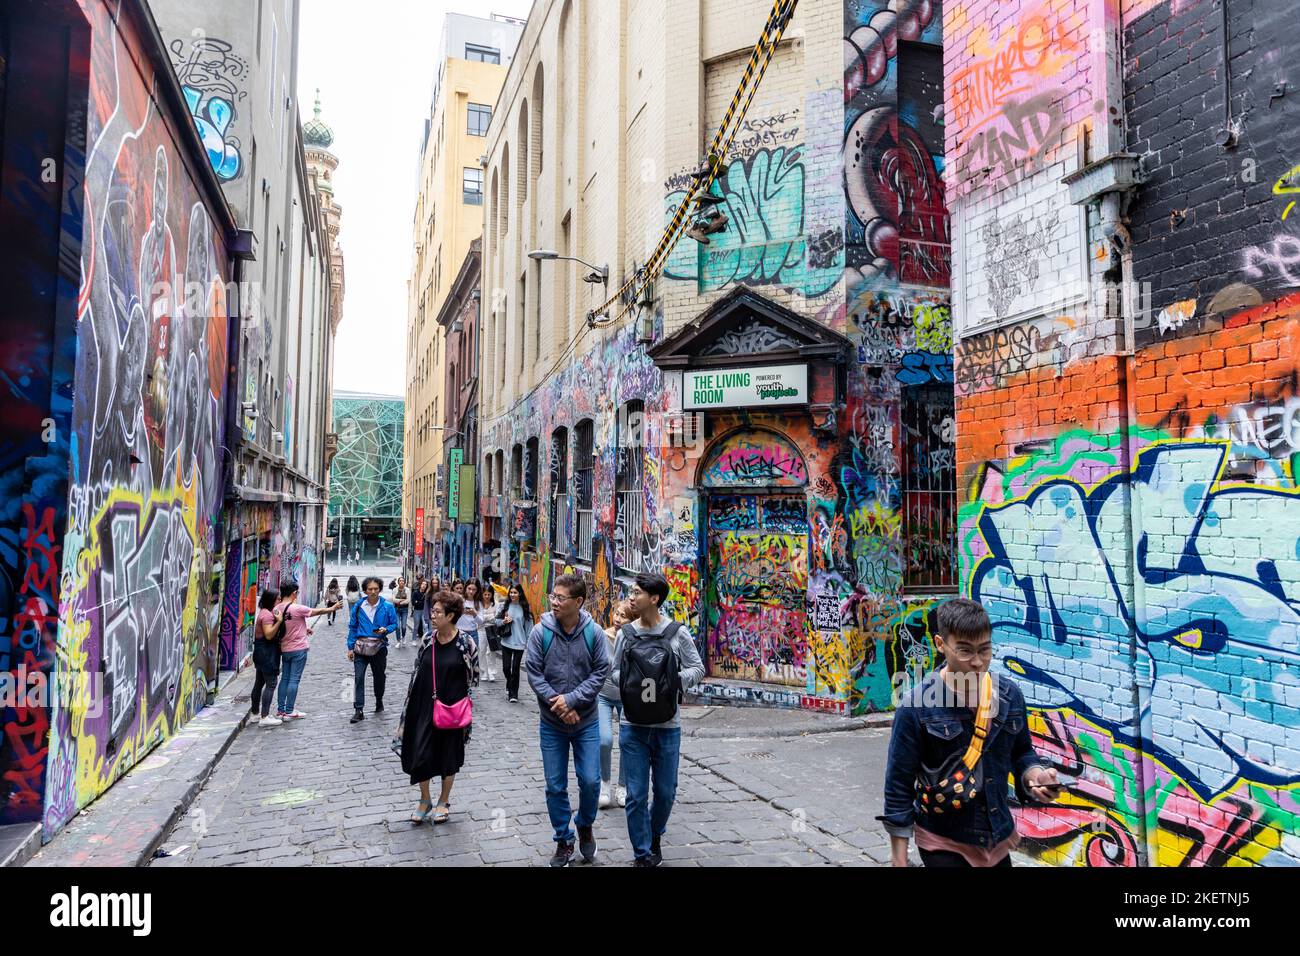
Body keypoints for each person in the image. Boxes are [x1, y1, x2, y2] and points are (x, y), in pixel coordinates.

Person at [879, 597, 1063, 867]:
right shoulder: (915, 707)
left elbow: (1022, 753)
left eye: (984, 650)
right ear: (941, 645)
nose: (977, 662)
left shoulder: (1009, 695)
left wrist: (1035, 776)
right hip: (943, 839)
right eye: (965, 651)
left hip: (997, 836)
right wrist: (898, 859)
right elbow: (898, 786)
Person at [610, 572, 704, 866]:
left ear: (654, 598)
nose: (631, 597)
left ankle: (654, 835)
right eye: (631, 592)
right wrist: (632, 683)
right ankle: (641, 852)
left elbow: (697, 668)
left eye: (637, 592)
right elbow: (614, 672)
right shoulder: (626, 635)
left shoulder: (677, 633)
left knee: (665, 792)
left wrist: (671, 681)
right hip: (633, 726)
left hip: (667, 727)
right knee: (636, 795)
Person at [525, 573, 609, 867]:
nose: (554, 602)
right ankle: (564, 838)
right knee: (554, 784)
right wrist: (559, 706)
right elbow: (533, 672)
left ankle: (584, 824)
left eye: (560, 598)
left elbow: (601, 671)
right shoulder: (541, 632)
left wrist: (572, 700)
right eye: (553, 597)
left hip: (585, 721)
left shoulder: (593, 633)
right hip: (552, 724)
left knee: (590, 780)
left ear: (578, 602)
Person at [397, 590, 478, 825]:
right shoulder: (427, 639)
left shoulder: (465, 642)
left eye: (438, 612)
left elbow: (474, 675)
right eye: (432, 611)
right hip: (423, 705)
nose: (433, 616)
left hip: (452, 709)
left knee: (448, 756)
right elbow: (417, 669)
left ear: (451, 615)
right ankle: (425, 799)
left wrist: (462, 702)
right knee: (419, 753)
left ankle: (443, 801)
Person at [273, 581, 342, 720]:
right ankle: (289, 710)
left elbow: (288, 625)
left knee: (284, 679)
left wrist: (304, 628)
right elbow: (318, 611)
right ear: (294, 593)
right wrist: (333, 608)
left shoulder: (277, 608)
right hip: (298, 649)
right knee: (294, 679)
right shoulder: (297, 608)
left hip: (284, 649)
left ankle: (281, 710)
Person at [347, 576, 400, 723]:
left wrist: (386, 629)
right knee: (358, 678)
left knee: (379, 676)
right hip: (361, 648)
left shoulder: (387, 606)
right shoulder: (358, 606)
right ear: (365, 590)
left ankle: (379, 700)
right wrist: (350, 647)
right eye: (370, 589)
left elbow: (394, 624)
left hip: (379, 648)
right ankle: (359, 710)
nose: (373, 591)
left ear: (380, 590)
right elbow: (352, 627)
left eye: (376, 589)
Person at [598, 599, 634, 809]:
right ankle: (604, 784)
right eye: (617, 614)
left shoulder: (634, 640)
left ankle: (623, 785)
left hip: (627, 696)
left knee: (627, 743)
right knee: (604, 740)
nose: (619, 619)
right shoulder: (603, 636)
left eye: (624, 616)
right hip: (603, 694)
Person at [250, 589, 285, 726]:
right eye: (278, 599)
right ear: (271, 600)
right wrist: (279, 621)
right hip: (267, 653)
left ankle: (254, 713)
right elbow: (269, 634)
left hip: (261, 652)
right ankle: (264, 717)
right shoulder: (267, 616)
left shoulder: (264, 612)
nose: (280, 601)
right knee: (271, 684)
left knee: (259, 683)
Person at [496, 583, 532, 704]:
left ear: (520, 594)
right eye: (511, 592)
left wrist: (529, 642)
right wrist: (503, 621)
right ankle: (509, 682)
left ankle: (513, 694)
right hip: (506, 641)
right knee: (506, 668)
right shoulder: (505, 606)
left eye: (515, 592)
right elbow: (496, 621)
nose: (512, 594)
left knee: (515, 668)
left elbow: (529, 627)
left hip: (520, 643)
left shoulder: (525, 608)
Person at [461, 579, 495, 682]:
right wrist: (461, 611)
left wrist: (474, 614)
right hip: (460, 632)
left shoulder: (478, 603)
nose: (471, 592)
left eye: (474, 589)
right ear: (465, 588)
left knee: (471, 659)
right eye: (469, 589)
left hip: (473, 633)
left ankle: (468, 681)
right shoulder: (460, 600)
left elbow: (481, 622)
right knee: (460, 658)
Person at [391, 577, 411, 646]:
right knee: (397, 626)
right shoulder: (394, 589)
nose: (401, 582)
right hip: (396, 609)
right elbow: (393, 599)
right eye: (400, 581)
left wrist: (399, 602)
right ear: (398, 582)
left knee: (403, 626)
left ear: (404, 582)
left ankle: (404, 637)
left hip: (404, 610)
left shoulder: (407, 590)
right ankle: (398, 641)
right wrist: (401, 600)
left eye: (403, 581)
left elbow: (408, 600)